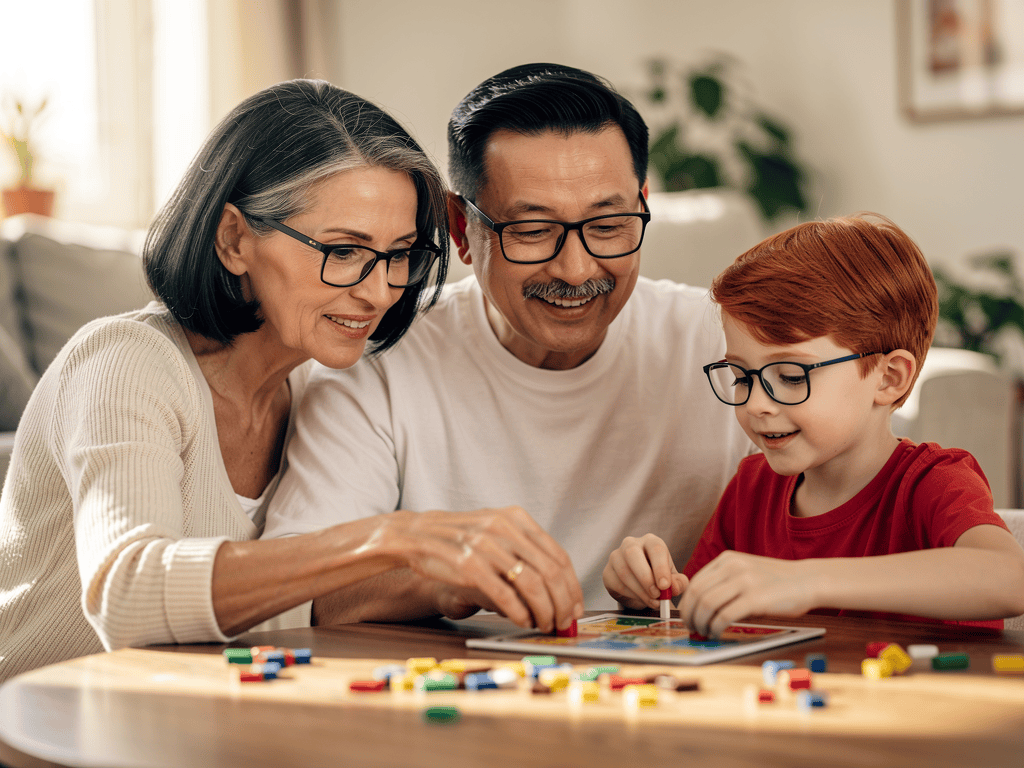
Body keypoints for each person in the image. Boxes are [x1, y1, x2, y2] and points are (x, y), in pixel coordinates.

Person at [0, 79, 583, 683]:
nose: (379, 290)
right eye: (344, 249)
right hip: (35, 733)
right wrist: (392, 537)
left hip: (178, 728)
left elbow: (281, 611)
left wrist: (448, 582)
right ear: (233, 239)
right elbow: (128, 597)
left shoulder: (319, 385)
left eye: (400, 253)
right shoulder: (124, 363)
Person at [264, 63, 753, 618]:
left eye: (609, 224)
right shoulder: (377, 358)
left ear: (643, 204)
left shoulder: (726, 347)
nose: (575, 268)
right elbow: (299, 588)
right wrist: (450, 579)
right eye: (532, 231)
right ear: (459, 229)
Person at [603, 213, 1024, 636]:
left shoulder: (931, 483)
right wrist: (649, 594)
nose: (757, 404)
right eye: (743, 377)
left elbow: (1009, 578)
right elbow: (697, 617)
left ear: (889, 377)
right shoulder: (751, 490)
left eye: (790, 376)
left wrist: (807, 581)